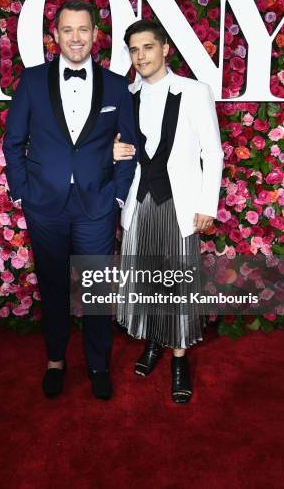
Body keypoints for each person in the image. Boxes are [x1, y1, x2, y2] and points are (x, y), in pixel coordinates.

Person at [2, 0, 137, 401]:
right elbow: (13, 143)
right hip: (45, 205)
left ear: (96, 35)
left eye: (83, 30)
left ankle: (98, 365)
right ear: (55, 35)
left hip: (97, 204)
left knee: (97, 290)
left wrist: (116, 195)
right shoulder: (32, 81)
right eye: (67, 30)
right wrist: (23, 192)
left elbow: (128, 145)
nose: (76, 38)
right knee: (53, 285)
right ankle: (56, 361)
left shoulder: (117, 86)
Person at [113, 20, 224, 404]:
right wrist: (114, 153)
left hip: (179, 204)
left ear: (164, 49)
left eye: (147, 47)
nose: (140, 56)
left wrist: (206, 205)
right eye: (134, 49)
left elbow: (212, 152)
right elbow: (121, 149)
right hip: (139, 202)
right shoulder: (126, 95)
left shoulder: (193, 92)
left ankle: (179, 359)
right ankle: (152, 343)